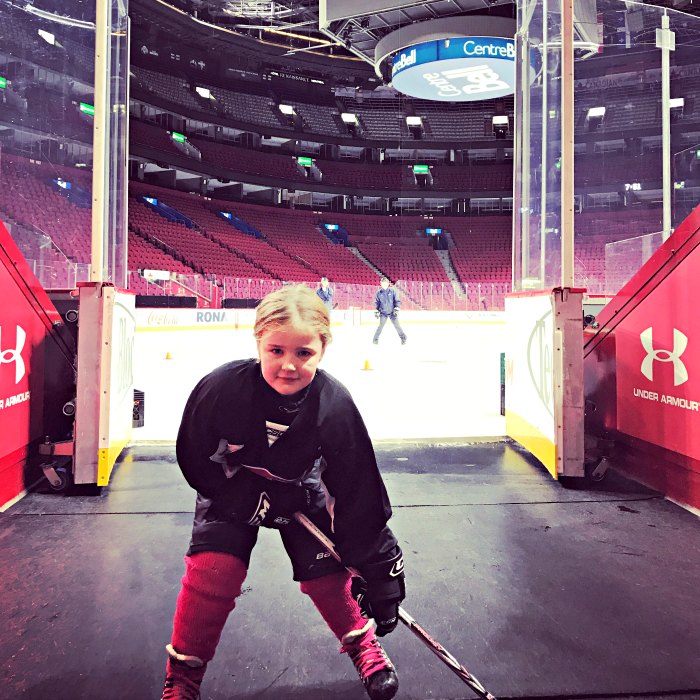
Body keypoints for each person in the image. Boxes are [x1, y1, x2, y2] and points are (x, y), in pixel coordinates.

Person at [161, 285, 406, 700]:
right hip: (230, 487)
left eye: (303, 353)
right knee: (213, 570)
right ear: (258, 342)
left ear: (323, 349)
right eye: (276, 350)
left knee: (327, 569)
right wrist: (240, 497)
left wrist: (379, 568)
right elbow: (194, 455)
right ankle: (183, 674)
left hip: (297, 489)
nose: (288, 365)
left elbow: (356, 489)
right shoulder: (221, 388)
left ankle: (363, 643)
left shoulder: (334, 404)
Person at [373, 277, 407, 345]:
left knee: (397, 326)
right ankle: (375, 339)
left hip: (392, 312)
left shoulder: (392, 291)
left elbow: (397, 300)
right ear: (381, 284)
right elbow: (376, 302)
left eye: (385, 283)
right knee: (380, 326)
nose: (384, 284)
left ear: (388, 284)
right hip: (383, 313)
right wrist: (376, 311)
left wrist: (397, 308)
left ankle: (403, 338)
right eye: (382, 283)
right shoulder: (379, 293)